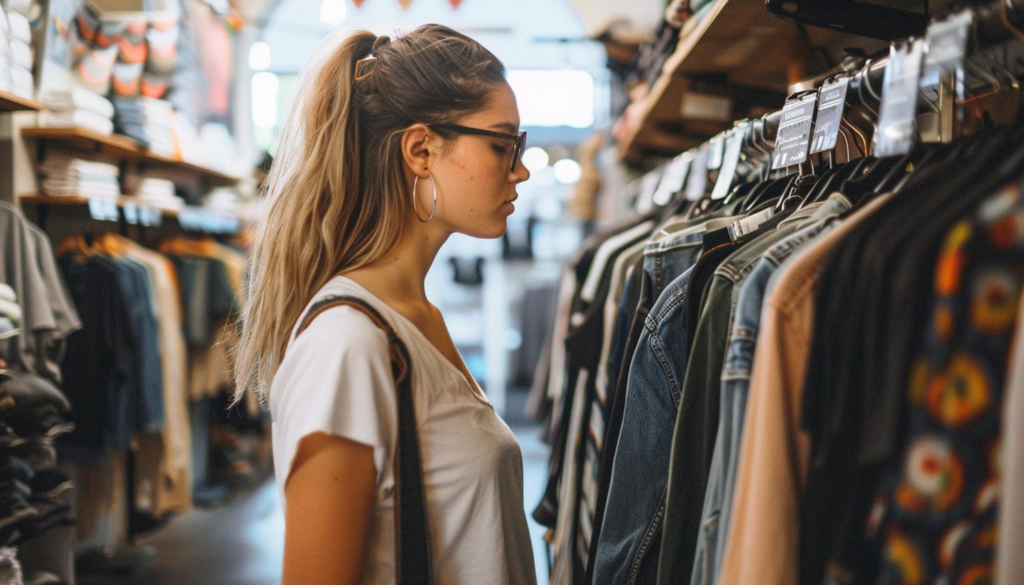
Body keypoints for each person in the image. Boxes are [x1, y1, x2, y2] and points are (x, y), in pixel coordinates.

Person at [233, 25, 535, 585]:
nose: (519, 168)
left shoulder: (415, 318)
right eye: (501, 144)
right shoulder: (346, 343)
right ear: (421, 149)